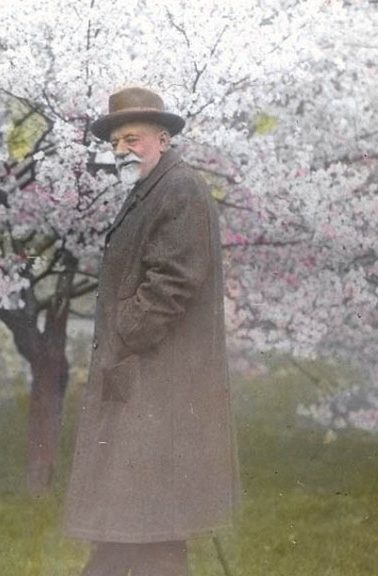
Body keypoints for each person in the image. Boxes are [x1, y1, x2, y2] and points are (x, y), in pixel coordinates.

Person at [65, 87, 237, 576]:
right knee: (138, 526)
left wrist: (126, 331)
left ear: (162, 138)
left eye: (132, 139)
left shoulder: (178, 188)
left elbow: (174, 280)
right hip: (144, 382)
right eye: (116, 142)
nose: (121, 150)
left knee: (146, 528)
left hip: (159, 385)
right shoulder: (152, 188)